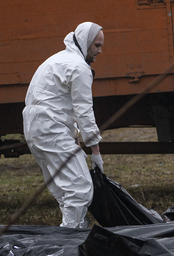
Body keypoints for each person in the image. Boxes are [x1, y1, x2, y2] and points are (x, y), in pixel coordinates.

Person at [22, 22, 105, 228]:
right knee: (79, 187)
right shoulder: (79, 68)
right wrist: (95, 151)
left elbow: (57, 103)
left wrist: (73, 137)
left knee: (64, 189)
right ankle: (69, 238)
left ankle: (77, 227)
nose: (100, 51)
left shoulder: (58, 59)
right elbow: (84, 110)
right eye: (96, 45)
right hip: (50, 129)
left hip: (35, 128)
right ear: (85, 43)